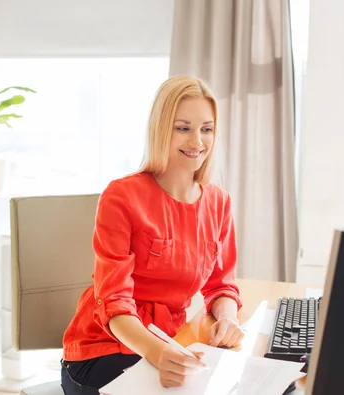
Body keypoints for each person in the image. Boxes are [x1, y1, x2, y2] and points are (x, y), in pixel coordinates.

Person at [60, 75, 244, 395]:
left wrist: (229, 320)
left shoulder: (218, 202)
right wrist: (156, 353)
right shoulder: (122, 196)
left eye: (207, 129)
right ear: (161, 128)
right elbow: (114, 302)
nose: (197, 141)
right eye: (183, 127)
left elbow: (222, 284)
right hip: (103, 348)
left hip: (168, 342)